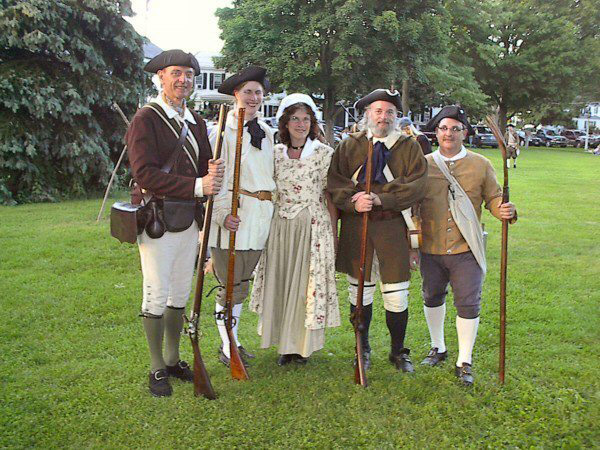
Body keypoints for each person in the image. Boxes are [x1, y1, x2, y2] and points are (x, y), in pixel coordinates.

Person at [126, 49, 224, 397]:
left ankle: (172, 358)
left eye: (188, 74)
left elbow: (201, 166)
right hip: (158, 217)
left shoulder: (195, 121)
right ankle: (155, 368)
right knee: (156, 292)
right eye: (176, 73)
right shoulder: (147, 118)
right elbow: (145, 173)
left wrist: (212, 174)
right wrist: (198, 185)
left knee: (180, 291)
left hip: (189, 218)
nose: (183, 80)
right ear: (161, 78)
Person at [327, 89, 428, 373]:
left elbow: (417, 184)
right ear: (367, 115)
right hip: (357, 227)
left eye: (390, 112)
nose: (384, 117)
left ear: (397, 117)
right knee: (360, 292)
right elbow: (335, 180)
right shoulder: (349, 146)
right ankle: (363, 348)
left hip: (393, 227)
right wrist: (354, 199)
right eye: (378, 111)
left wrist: (382, 198)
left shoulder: (409, 146)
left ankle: (398, 351)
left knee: (396, 294)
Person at [418, 105, 517, 386]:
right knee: (431, 296)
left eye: (455, 128)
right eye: (444, 128)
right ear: (436, 132)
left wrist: (504, 210)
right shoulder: (422, 163)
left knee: (468, 303)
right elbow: (410, 201)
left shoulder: (481, 164)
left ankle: (464, 361)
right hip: (431, 246)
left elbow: (494, 198)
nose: (449, 133)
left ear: (465, 132)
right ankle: (438, 347)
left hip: (467, 248)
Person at [249, 94, 340, 365]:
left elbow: (330, 195)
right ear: (285, 123)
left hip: (311, 224)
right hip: (280, 225)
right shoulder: (275, 153)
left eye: (305, 119)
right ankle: (283, 344)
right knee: (282, 281)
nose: (300, 124)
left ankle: (301, 346)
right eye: (294, 119)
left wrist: (334, 233)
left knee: (305, 286)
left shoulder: (324, 154)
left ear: (312, 123)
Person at [208, 66, 276, 367]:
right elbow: (215, 178)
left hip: (259, 217)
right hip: (234, 216)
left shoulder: (269, 133)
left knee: (242, 284)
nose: (253, 97)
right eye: (247, 91)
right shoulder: (222, 132)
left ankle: (233, 341)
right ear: (236, 94)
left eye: (258, 92)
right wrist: (222, 214)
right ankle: (228, 346)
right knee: (230, 285)